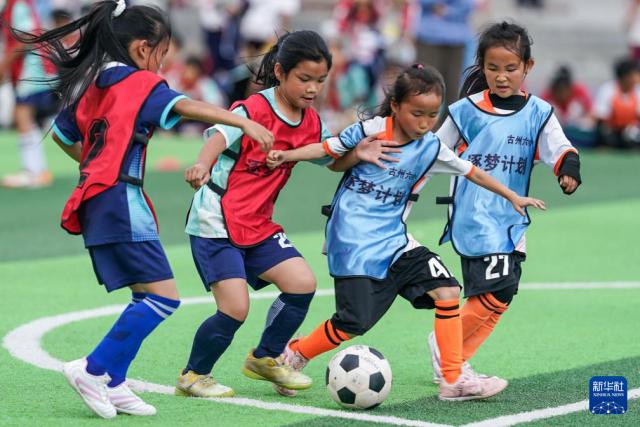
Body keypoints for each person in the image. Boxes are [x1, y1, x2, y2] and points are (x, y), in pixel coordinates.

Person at [18, 0, 273, 419]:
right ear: (141, 49)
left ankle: (114, 381)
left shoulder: (93, 83)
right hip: (120, 199)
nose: (163, 61)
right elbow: (185, 105)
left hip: (101, 197)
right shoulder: (137, 83)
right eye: (162, 52)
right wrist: (242, 121)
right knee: (163, 298)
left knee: (145, 293)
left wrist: (94, 165)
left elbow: (63, 136)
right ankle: (92, 369)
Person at [266, 63, 546, 400]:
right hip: (352, 239)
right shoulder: (371, 130)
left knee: (447, 290)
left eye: (432, 115)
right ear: (396, 106)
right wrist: (286, 156)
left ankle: (453, 379)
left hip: (395, 240)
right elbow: (327, 150)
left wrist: (512, 195)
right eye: (417, 114)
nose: (425, 123)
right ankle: (294, 355)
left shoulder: (431, 147)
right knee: (353, 322)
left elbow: (472, 171)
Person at [177, 30, 344, 399]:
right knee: (235, 308)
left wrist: (362, 152)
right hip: (216, 220)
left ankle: (264, 358)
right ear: (280, 72)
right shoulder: (252, 109)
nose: (313, 88)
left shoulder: (312, 121)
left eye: (320, 80)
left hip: (257, 223)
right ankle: (193, 375)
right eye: (304, 78)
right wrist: (202, 164)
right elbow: (217, 138)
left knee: (302, 283)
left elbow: (330, 158)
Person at [428, 22, 582, 387]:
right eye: (493, 68)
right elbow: (433, 151)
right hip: (474, 214)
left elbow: (559, 147)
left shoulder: (539, 112)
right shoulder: (465, 111)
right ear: (481, 66)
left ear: (528, 66)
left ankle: (454, 357)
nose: (501, 76)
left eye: (510, 68)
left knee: (503, 295)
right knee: (496, 289)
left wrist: (568, 169)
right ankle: (446, 349)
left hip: (512, 217)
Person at [0, 0, 57, 188]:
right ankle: (37, 170)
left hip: (32, 68)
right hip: (32, 68)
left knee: (22, 114)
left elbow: (25, 36)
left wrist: (4, 65)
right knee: (26, 117)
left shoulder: (17, 4)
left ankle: (33, 171)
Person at [541, 66, 595, 147]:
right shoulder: (548, 94)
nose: (562, 93)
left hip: (576, 130)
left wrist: (579, 122)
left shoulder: (579, 91)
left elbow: (591, 114)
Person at [593, 58, 640, 149]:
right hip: (612, 130)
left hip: (629, 130)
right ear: (626, 77)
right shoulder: (608, 89)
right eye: (635, 74)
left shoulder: (637, 91)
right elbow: (600, 116)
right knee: (603, 131)